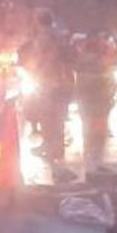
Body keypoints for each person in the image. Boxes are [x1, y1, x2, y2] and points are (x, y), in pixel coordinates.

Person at [23, 9, 74, 165]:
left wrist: (31, 70)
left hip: (47, 82)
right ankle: (57, 149)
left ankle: (49, 149)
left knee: (47, 118)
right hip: (62, 82)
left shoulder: (42, 39)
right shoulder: (59, 36)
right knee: (58, 117)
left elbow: (37, 61)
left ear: (38, 21)